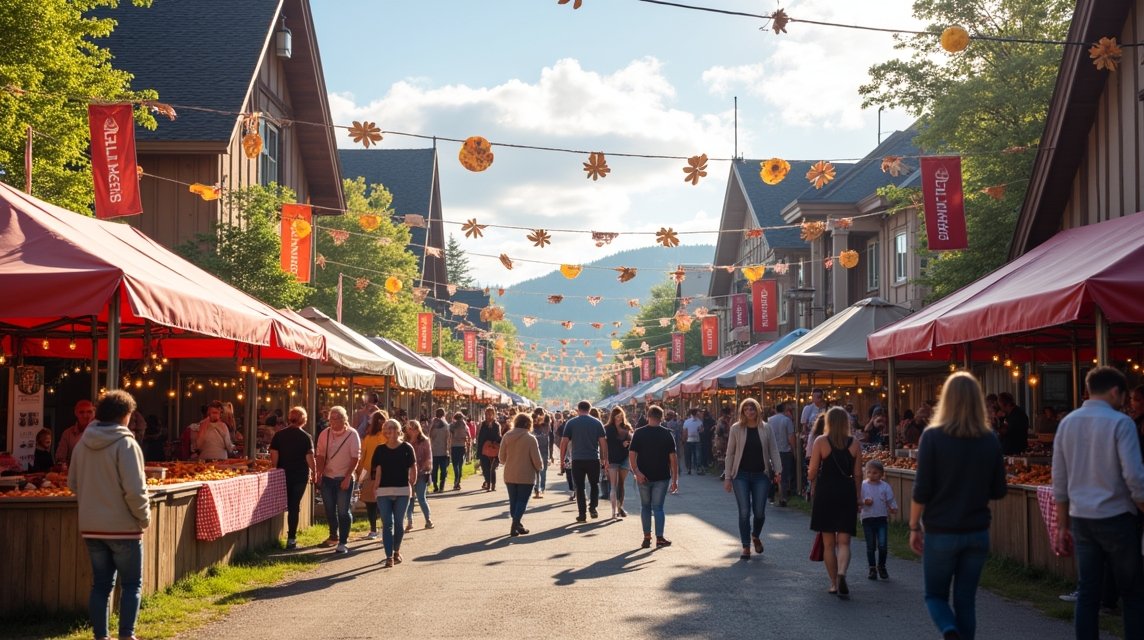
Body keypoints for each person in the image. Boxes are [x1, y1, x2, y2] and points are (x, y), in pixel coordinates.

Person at [909, 372, 1006, 640]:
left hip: (941, 530)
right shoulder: (989, 440)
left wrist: (914, 525)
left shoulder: (933, 437)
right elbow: (999, 490)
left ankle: (949, 630)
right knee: (966, 601)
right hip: (976, 530)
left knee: (935, 595)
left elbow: (922, 489)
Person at [1052, 367, 1144, 640]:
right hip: (1117, 516)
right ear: (1115, 391)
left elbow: (1059, 478)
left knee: (1088, 593)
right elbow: (1134, 476)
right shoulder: (1121, 423)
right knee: (1132, 593)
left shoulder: (1067, 422)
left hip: (1082, 519)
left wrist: (1061, 526)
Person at [68, 390, 150, 640]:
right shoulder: (126, 443)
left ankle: (101, 636)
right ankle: (127, 634)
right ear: (125, 415)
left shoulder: (82, 443)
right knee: (131, 584)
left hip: (91, 526)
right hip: (123, 526)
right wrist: (144, 518)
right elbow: (135, 490)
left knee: (101, 585)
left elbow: (72, 483)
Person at [808, 407, 862, 597]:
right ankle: (842, 573)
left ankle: (833, 583)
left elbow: (813, 470)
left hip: (826, 492)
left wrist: (810, 478)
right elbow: (857, 474)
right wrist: (858, 496)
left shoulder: (821, 441)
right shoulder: (855, 443)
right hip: (846, 491)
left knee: (829, 543)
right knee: (844, 542)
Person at [723, 398, 782, 560]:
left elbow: (774, 450)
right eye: (746, 409)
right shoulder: (736, 429)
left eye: (752, 409)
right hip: (740, 475)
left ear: (758, 411)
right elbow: (730, 454)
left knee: (760, 512)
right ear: (742, 412)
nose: (750, 412)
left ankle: (755, 535)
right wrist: (728, 477)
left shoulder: (766, 428)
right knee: (744, 511)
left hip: (760, 475)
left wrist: (778, 470)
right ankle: (745, 546)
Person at [629, 405, 678, 549]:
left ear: (647, 416)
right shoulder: (667, 434)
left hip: (643, 475)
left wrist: (637, 472)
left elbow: (632, 454)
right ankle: (660, 538)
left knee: (645, 507)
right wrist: (675, 480)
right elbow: (673, 459)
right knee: (658, 508)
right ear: (662, 417)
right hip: (662, 476)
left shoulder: (638, 433)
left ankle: (646, 537)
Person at [370, 419, 417, 568]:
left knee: (399, 523)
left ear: (398, 430)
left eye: (392, 428)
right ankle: (389, 556)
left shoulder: (407, 448)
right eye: (387, 428)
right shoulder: (380, 449)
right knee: (387, 523)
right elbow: (378, 470)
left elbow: (413, 466)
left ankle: (396, 550)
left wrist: (412, 481)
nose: (390, 431)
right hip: (383, 490)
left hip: (402, 490)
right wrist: (375, 486)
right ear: (384, 432)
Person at [315, 406, 361, 554]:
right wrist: (319, 473)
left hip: (344, 477)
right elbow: (320, 455)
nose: (333, 422)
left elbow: (355, 458)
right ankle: (333, 535)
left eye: (336, 418)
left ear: (344, 419)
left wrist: (348, 477)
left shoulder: (352, 434)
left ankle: (343, 541)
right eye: (331, 419)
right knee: (329, 509)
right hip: (328, 477)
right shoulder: (324, 434)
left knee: (342, 511)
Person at [270, 406, 316, 550]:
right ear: (303, 420)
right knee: (294, 505)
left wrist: (275, 468)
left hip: (283, 474)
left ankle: (282, 535)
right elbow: (309, 458)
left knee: (288, 503)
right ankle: (291, 538)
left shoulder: (279, 435)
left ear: (290, 419)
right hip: (300, 475)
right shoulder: (305, 437)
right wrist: (315, 472)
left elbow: (274, 455)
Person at [560, 400, 609, 522]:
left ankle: (582, 514)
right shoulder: (597, 423)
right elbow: (603, 443)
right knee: (594, 484)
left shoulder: (571, 423)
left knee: (579, 487)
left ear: (578, 409)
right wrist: (605, 459)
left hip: (577, 459)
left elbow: (564, 442)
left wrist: (562, 460)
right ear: (589, 408)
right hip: (593, 458)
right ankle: (593, 507)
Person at [499, 413, 544, 536]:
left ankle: (518, 525)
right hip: (526, 475)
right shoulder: (530, 438)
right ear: (529, 424)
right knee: (522, 501)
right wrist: (539, 467)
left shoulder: (507, 436)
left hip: (509, 474)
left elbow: (501, 458)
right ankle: (515, 523)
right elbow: (536, 459)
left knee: (513, 501)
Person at [860, 459, 898, 580]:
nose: (871, 474)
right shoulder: (863, 486)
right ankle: (872, 568)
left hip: (881, 519)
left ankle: (881, 566)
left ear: (882, 474)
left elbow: (890, 500)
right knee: (870, 546)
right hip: (867, 518)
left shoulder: (885, 486)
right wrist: (864, 502)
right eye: (869, 472)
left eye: (875, 472)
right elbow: (858, 500)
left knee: (882, 545)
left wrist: (893, 507)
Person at [356, 411, 387, 541]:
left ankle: (373, 529)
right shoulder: (387, 437)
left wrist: (359, 474)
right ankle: (386, 527)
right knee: (384, 502)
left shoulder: (368, 438)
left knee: (370, 503)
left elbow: (362, 457)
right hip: (386, 473)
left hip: (369, 473)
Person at [404, 420, 433, 532]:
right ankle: (410, 522)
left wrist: (426, 468)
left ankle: (428, 519)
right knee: (409, 498)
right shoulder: (405, 442)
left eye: (414, 428)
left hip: (421, 473)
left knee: (421, 497)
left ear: (418, 429)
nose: (412, 431)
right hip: (407, 473)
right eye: (409, 428)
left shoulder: (424, 441)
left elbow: (428, 457)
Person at [605, 407, 634, 518]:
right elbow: (608, 444)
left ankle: (620, 508)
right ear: (613, 417)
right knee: (613, 485)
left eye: (621, 416)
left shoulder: (626, 427)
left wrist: (628, 443)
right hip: (612, 458)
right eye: (617, 416)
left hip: (624, 457)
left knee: (621, 484)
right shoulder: (607, 428)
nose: (619, 418)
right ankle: (613, 512)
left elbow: (632, 441)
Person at [768, 402, 797, 507]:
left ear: (775, 409)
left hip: (772, 451)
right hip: (785, 451)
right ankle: (782, 497)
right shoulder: (787, 420)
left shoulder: (769, 420)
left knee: (772, 475)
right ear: (784, 409)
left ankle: (771, 496)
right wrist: (794, 450)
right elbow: (791, 437)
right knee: (783, 475)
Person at [55, 399, 95, 465]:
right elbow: (60, 459)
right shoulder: (67, 434)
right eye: (81, 412)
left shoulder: (101, 432)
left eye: (89, 412)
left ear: (94, 413)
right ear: (76, 413)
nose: (85, 416)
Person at [476, 407, 502, 492]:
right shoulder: (483, 424)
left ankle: (492, 485)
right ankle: (488, 483)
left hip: (494, 450)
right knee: (485, 468)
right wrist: (479, 452)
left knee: (492, 468)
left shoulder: (496, 425)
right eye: (487, 414)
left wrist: (491, 428)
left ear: (494, 415)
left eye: (490, 414)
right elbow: (480, 438)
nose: (488, 416)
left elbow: (498, 437)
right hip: (484, 449)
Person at [428, 408, 450, 493]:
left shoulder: (432, 425)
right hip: (443, 451)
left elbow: (430, 436)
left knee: (434, 470)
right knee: (443, 470)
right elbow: (448, 439)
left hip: (434, 451)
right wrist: (448, 450)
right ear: (444, 414)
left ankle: (435, 485)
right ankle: (441, 485)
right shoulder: (446, 425)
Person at [532, 408, 552, 499]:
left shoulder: (546, 425)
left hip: (542, 449)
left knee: (541, 470)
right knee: (539, 470)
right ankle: (538, 488)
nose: (540, 416)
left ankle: (540, 487)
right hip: (537, 449)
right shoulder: (533, 424)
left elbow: (550, 438)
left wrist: (551, 454)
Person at [448, 412, 470, 491]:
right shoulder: (465, 426)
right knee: (460, 465)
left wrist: (449, 446)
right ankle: (458, 481)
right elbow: (469, 435)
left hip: (454, 447)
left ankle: (456, 479)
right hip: (462, 447)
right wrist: (468, 443)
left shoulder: (452, 426)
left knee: (455, 464)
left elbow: (449, 436)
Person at [682, 409, 703, 475]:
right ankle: (698, 469)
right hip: (697, 440)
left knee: (689, 455)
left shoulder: (686, 422)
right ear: (696, 414)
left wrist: (683, 440)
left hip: (689, 440)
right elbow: (701, 431)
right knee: (697, 455)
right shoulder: (699, 421)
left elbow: (684, 432)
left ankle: (689, 469)